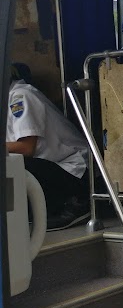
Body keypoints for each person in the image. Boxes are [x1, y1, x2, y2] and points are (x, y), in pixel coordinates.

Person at [6, 66, 90, 230]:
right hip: (49, 167)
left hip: (73, 170)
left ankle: (77, 201)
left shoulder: (20, 96)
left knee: (13, 164)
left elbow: (26, 148)